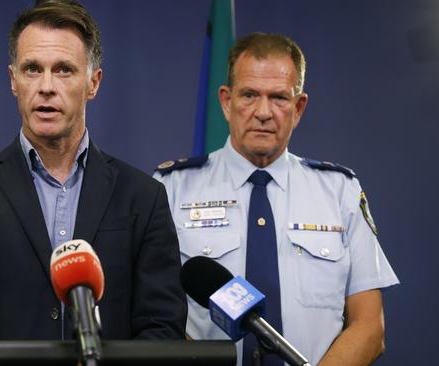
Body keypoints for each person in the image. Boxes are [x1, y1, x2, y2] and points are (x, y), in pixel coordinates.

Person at [0, 0, 186, 341]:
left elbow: (162, 329)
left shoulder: (143, 197)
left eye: (63, 70)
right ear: (13, 80)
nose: (46, 86)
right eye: (32, 69)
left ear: (94, 83)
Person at [154, 33, 398, 366]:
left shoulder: (341, 191)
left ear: (299, 108)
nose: (264, 112)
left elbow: (370, 326)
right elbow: (153, 319)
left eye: (280, 97)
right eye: (250, 95)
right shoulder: (171, 188)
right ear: (226, 102)